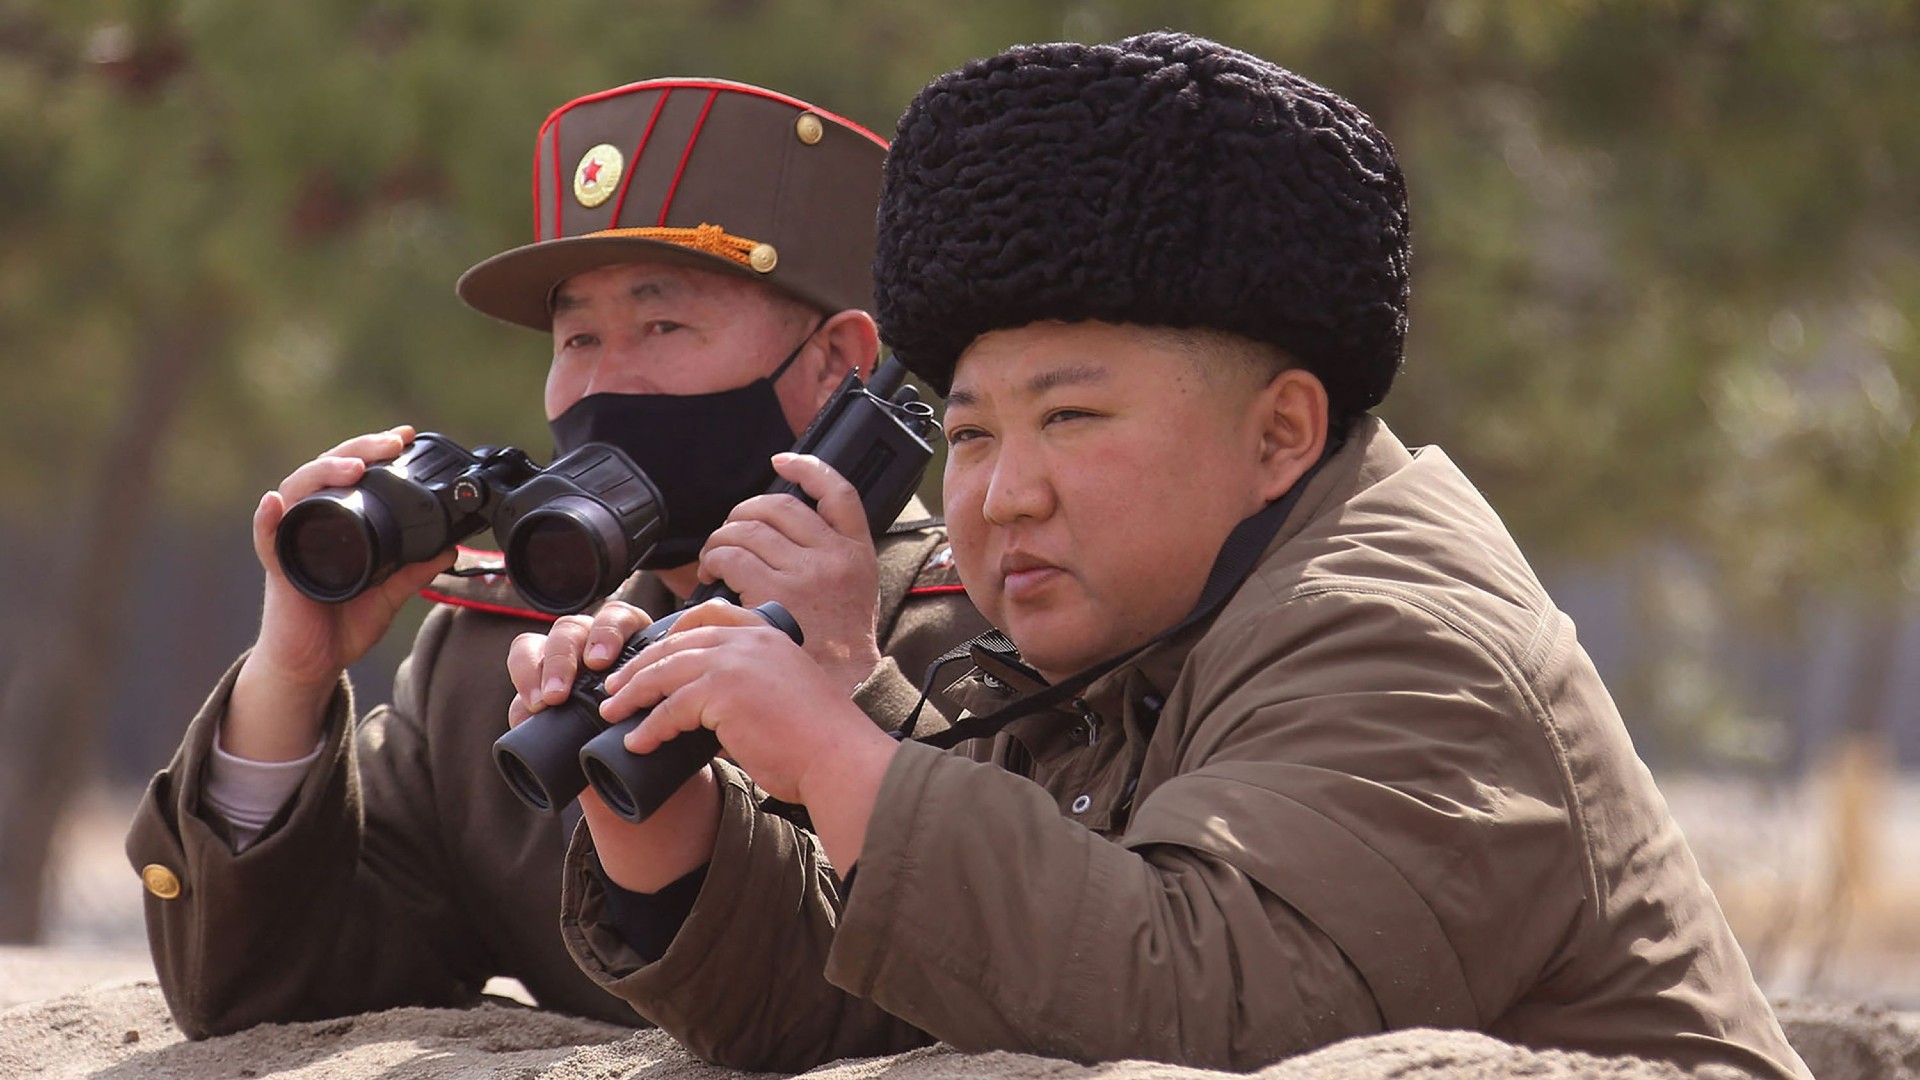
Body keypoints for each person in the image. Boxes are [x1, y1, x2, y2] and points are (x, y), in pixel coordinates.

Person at [524, 33, 1814, 1079]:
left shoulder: (1405, 641)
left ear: (1280, 434)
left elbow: (1216, 1011)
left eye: (1072, 419)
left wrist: (838, 755)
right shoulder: (1140, 634)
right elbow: (932, 994)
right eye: (969, 435)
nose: (1003, 495)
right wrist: (671, 827)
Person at [123, 77, 988, 1039]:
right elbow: (263, 995)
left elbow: (1014, 968)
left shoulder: (985, 635)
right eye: (576, 336)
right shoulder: (494, 668)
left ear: (836, 363)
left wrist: (850, 687)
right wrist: (291, 677)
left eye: (662, 325)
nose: (604, 382)